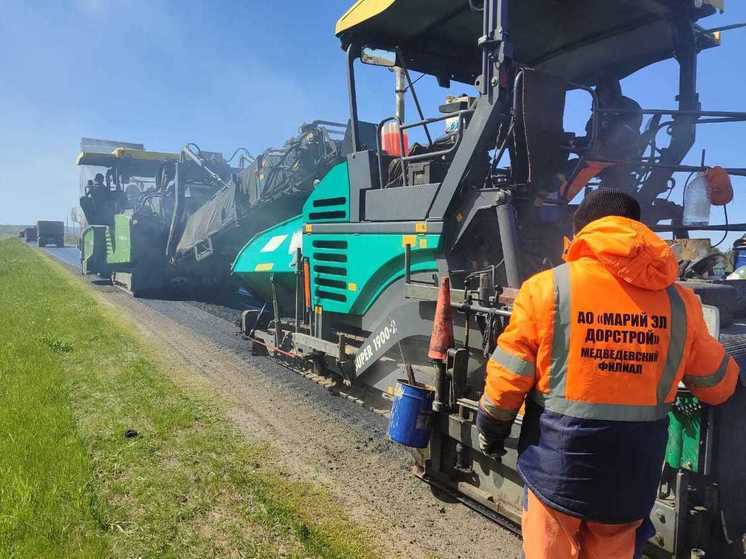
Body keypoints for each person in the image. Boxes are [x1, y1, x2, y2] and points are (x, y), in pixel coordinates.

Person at [476, 190, 740, 558]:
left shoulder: (548, 288)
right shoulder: (680, 303)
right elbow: (717, 384)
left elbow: (510, 374)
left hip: (557, 469)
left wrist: (491, 426)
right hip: (631, 478)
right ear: (639, 229)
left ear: (582, 234)